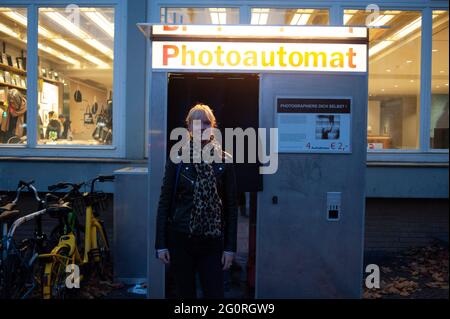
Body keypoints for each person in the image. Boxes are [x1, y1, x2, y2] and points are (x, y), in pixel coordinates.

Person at [155, 103, 238, 299]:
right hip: (181, 239)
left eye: (206, 123)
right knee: (186, 295)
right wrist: (161, 244)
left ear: (213, 126)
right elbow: (164, 202)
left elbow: (232, 207)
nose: (201, 127)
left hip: (212, 242)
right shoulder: (177, 159)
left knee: (215, 294)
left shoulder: (224, 160)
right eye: (196, 123)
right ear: (189, 127)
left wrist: (230, 248)